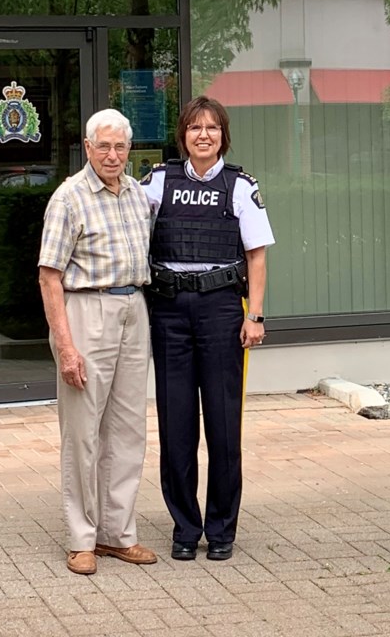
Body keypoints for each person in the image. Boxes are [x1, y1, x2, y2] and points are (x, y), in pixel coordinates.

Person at [140, 96, 275, 562]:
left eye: (212, 128)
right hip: (170, 310)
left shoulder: (240, 186)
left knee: (222, 426)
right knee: (176, 426)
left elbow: (256, 254)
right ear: (183, 135)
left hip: (221, 309)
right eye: (195, 128)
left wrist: (253, 315)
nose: (203, 135)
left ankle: (221, 530)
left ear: (223, 135)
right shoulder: (158, 182)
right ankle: (184, 528)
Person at [37, 108, 157, 575]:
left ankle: (117, 534)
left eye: (120, 146)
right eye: (103, 146)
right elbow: (49, 277)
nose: (112, 154)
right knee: (83, 432)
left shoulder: (135, 194)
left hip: (133, 311)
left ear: (129, 149)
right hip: (87, 311)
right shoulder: (69, 197)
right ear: (87, 147)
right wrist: (66, 346)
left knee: (128, 431)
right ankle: (81, 538)